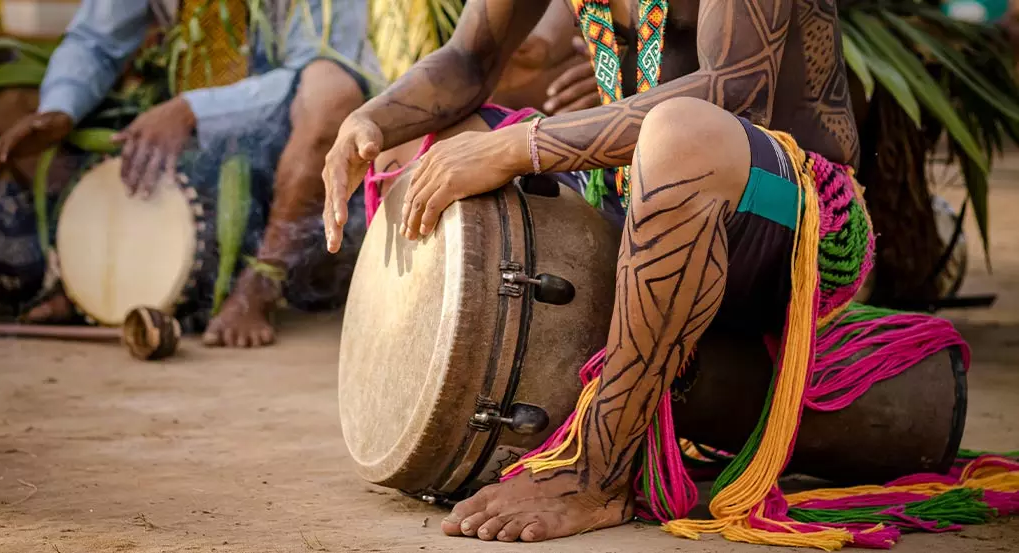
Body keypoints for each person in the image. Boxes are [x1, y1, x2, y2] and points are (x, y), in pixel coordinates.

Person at [322, 0, 868, 543]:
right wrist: (370, 120)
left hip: (798, 216)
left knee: (683, 134)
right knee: (429, 147)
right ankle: (468, 427)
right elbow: (469, 59)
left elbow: (736, 92)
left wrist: (520, 146)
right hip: (632, 189)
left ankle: (596, 472)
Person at [0, 0, 377, 346]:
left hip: (285, 144)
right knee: (13, 104)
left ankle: (260, 283)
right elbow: (95, 42)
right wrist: (60, 110)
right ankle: (82, 277)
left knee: (332, 91)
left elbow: (320, 64)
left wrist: (192, 111)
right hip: (176, 128)